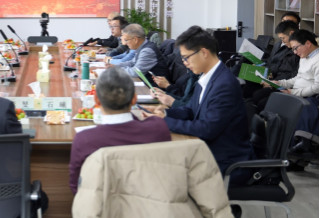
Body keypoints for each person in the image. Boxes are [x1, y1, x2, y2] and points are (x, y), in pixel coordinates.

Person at [142, 25, 255, 184]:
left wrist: (164, 121)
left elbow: (206, 129)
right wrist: (164, 113)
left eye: (186, 57)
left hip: (225, 161)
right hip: (208, 150)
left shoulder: (224, 85)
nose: (184, 62)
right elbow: (191, 110)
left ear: (203, 52)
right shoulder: (206, 77)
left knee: (161, 172)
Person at [69, 66, 171, 194]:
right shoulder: (158, 128)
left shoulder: (84, 139)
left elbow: (76, 187)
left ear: (96, 100)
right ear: (134, 99)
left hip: (104, 203)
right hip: (150, 200)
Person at [255, 29, 319, 113]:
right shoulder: (304, 56)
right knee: (259, 97)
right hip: (295, 92)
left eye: (295, 48)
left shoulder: (316, 60)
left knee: (264, 104)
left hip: (306, 97)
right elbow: (298, 78)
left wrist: (293, 92)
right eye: (293, 49)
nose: (295, 52)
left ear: (308, 43)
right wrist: (280, 83)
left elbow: (317, 88)